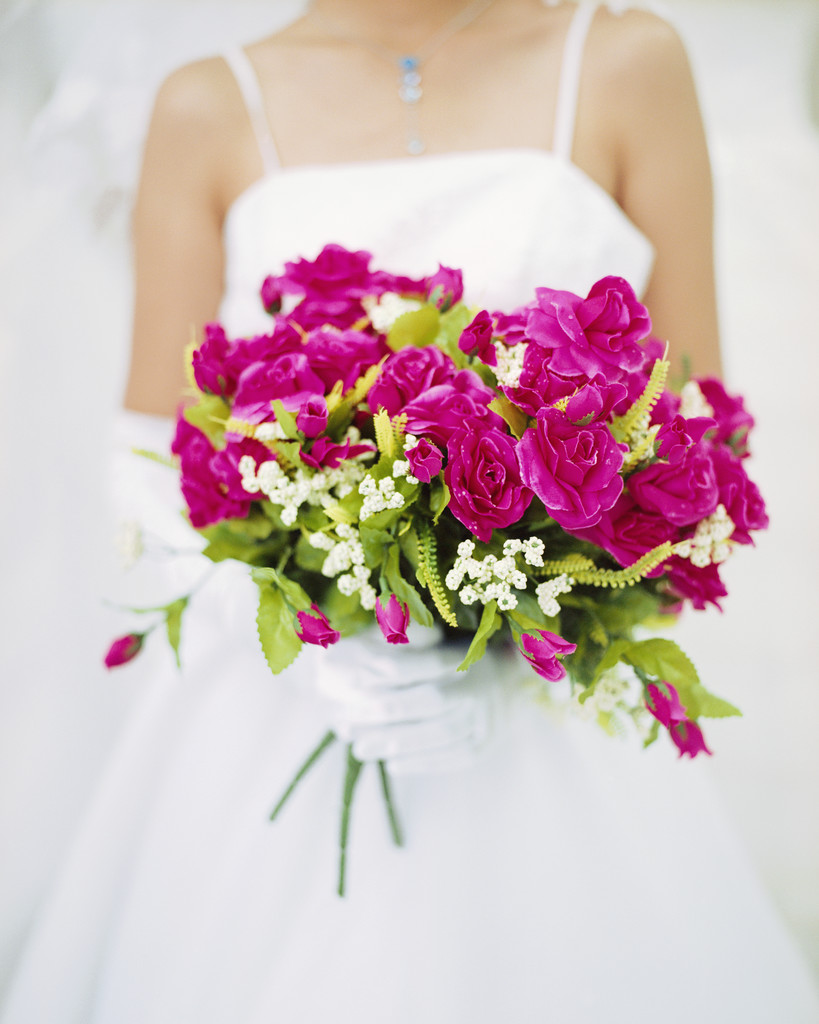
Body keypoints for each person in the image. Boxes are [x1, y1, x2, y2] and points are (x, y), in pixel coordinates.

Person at [2, 2, 818, 1022]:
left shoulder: (626, 61)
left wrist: (538, 627)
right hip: (281, 718)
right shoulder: (207, 104)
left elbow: (697, 435)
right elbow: (146, 454)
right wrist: (317, 639)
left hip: (545, 713)